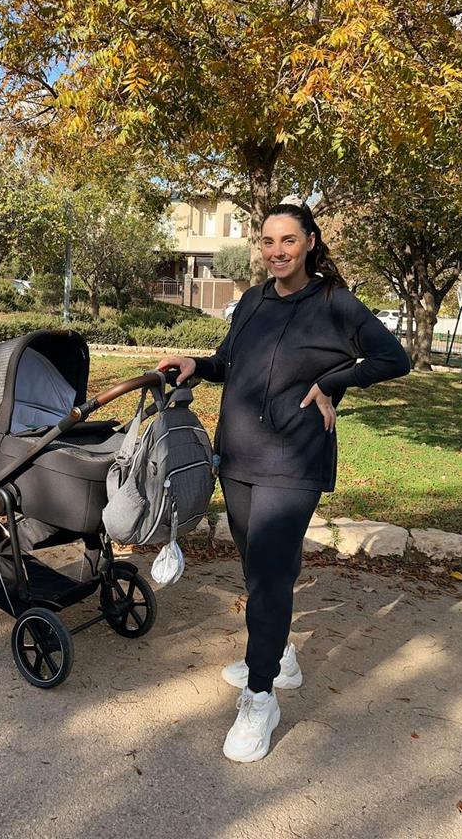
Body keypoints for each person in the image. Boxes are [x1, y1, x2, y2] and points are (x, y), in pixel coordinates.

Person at [157, 199, 410, 763]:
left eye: (288, 241)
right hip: (238, 455)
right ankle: (280, 657)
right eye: (268, 242)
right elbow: (229, 362)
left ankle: (260, 696)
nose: (277, 252)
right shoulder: (252, 301)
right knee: (257, 569)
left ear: (310, 242)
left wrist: (334, 382)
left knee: (270, 575)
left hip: (294, 459)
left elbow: (394, 358)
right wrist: (200, 364)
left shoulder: (336, 303)